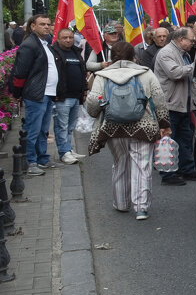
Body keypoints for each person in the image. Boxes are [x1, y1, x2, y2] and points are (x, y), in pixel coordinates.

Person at [85, 40, 171, 221]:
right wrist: (164, 124)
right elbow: (160, 99)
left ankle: (122, 203)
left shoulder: (102, 75)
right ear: (134, 56)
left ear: (111, 57)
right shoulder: (146, 74)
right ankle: (141, 207)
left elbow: (93, 102)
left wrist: (95, 114)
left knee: (120, 163)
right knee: (142, 165)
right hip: (143, 126)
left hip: (112, 127)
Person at [10, 14, 58, 175]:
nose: (46, 27)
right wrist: (16, 93)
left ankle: (42, 158)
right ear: (33, 26)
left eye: (48, 24)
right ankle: (30, 161)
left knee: (43, 129)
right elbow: (20, 72)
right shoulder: (29, 45)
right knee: (33, 129)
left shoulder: (45, 43)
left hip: (48, 93)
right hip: (36, 94)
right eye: (42, 24)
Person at [154, 27, 196, 186]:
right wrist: (195, 66)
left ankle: (186, 169)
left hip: (182, 104)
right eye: (191, 40)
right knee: (167, 139)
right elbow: (175, 73)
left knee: (184, 138)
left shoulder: (183, 54)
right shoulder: (166, 53)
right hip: (169, 104)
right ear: (181, 39)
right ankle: (167, 174)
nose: (193, 43)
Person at [50, 27, 88, 165]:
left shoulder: (76, 52)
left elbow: (82, 71)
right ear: (58, 39)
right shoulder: (54, 52)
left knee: (70, 126)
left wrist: (83, 90)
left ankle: (68, 149)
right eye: (64, 38)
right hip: (62, 97)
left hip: (76, 96)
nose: (68, 40)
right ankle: (63, 152)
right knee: (62, 126)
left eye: (70, 37)